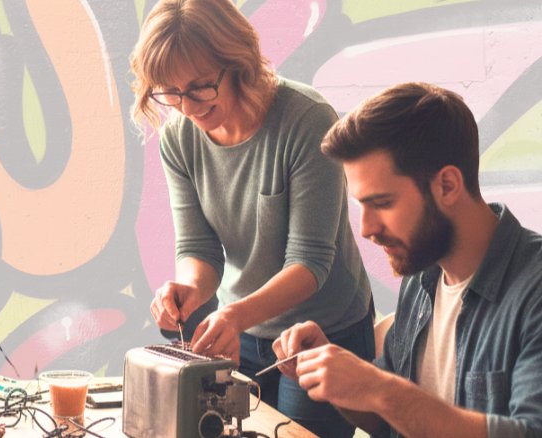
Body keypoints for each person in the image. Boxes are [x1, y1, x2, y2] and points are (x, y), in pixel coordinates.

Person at [129, 0, 373, 435]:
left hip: (323, 333)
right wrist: (188, 287)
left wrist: (235, 315)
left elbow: (310, 262)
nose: (187, 107)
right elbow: (198, 248)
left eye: (200, 86)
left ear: (237, 61)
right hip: (240, 334)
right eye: (170, 92)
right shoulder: (179, 137)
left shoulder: (307, 119)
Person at [272, 82, 542, 437]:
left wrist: (381, 390)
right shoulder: (421, 277)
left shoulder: (533, 290)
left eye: (382, 203)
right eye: (361, 206)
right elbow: (389, 422)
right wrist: (337, 374)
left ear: (447, 185)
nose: (366, 228)